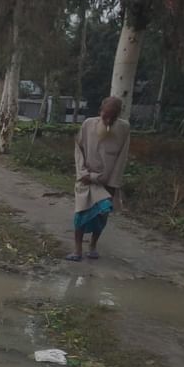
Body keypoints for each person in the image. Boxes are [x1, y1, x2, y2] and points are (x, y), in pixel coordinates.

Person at [66, 96, 131, 261]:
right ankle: (77, 250)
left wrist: (113, 184)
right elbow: (78, 150)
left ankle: (93, 246)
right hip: (86, 178)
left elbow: (122, 158)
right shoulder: (88, 124)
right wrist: (83, 174)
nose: (108, 120)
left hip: (107, 181)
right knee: (80, 213)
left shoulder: (124, 128)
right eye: (105, 116)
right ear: (100, 112)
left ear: (119, 115)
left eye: (113, 117)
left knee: (101, 215)